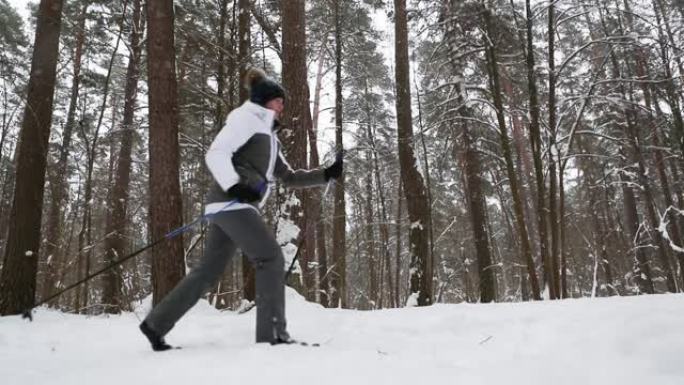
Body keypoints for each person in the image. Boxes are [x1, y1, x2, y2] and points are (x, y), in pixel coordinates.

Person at [139, 68, 343, 351]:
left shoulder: (270, 138)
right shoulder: (246, 119)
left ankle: (155, 324)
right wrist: (234, 185)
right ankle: (272, 335)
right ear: (265, 100)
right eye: (279, 100)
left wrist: (327, 174)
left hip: (233, 206)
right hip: (232, 203)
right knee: (270, 257)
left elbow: (288, 177)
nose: (283, 106)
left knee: (209, 271)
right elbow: (216, 153)